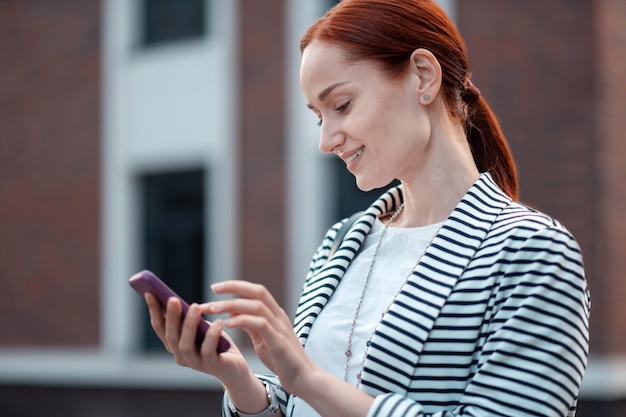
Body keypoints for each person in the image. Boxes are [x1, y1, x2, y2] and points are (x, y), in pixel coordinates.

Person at [143, 0, 591, 416]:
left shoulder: (532, 252)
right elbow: (304, 404)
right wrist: (242, 384)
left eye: (342, 105)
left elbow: (316, 386)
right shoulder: (344, 240)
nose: (325, 140)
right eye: (320, 117)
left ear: (422, 76)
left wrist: (307, 379)